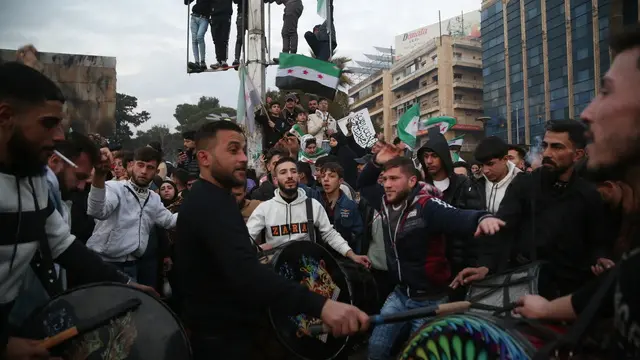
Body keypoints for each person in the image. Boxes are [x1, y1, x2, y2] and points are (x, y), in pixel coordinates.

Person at [174, 121, 370, 359]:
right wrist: (322, 306)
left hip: (277, 303)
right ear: (204, 158)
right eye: (233, 150)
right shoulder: (211, 204)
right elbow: (245, 271)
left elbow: (329, 234)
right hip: (224, 337)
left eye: (244, 150)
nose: (244, 158)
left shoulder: (219, 200)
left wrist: (349, 256)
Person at [0, 62, 152, 359]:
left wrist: (127, 285)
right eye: (48, 123)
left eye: (60, 124)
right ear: (5, 117)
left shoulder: (33, 180)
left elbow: (63, 246)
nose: (59, 136)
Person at [515, 27, 640, 358]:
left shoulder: (586, 195)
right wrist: (546, 309)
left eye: (606, 92)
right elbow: (614, 288)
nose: (587, 112)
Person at [357, 146, 505, 360]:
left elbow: (458, 216)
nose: (387, 184)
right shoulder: (385, 201)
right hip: (400, 295)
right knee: (377, 348)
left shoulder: (427, 206)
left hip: (430, 300)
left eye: (394, 179)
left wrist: (482, 218)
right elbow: (364, 184)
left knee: (422, 354)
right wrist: (376, 162)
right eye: (385, 178)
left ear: (411, 182)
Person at [454, 121, 612, 299]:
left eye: (557, 147)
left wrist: (600, 259)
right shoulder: (525, 185)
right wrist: (486, 266)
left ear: (578, 155)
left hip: (571, 293)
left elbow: (597, 241)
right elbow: (502, 227)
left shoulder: (589, 194)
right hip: (527, 288)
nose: (547, 153)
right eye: (545, 145)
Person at [247, 157, 370, 268]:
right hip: (277, 274)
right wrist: (258, 250)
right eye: (283, 172)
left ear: (299, 176)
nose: (289, 176)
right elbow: (246, 239)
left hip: (309, 273)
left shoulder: (313, 205)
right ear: (275, 180)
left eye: (293, 171)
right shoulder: (264, 209)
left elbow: (330, 234)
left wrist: (352, 255)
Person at [86, 147, 178, 280]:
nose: (144, 171)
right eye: (140, 165)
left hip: (133, 266)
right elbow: (97, 211)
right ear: (131, 165)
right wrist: (99, 175)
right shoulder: (115, 188)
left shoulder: (153, 198)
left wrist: (194, 206)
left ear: (156, 171)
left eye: (150, 167)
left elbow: (169, 221)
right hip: (105, 263)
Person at [317, 162, 364, 253]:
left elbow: (358, 235)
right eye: (323, 176)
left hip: (344, 255)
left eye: (331, 176)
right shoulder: (315, 201)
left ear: (340, 181)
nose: (326, 179)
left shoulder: (350, 206)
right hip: (320, 253)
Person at [473, 136, 522, 213]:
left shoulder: (523, 183)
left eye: (490, 164)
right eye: (481, 165)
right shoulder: (474, 183)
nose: (485, 171)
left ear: (505, 159)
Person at [185, 0, 212, 72]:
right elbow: (186, 2)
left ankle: (202, 61)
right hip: (194, 16)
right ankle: (197, 62)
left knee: (199, 37)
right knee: (194, 40)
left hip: (204, 18)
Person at [209, 0, 234, 70]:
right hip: (214, 16)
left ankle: (223, 60)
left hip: (225, 15)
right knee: (216, 40)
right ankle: (219, 60)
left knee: (224, 38)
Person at [232, 0, 247, 69]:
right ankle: (236, 59)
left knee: (257, 35)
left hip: (254, 14)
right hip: (242, 14)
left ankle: (258, 56)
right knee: (240, 37)